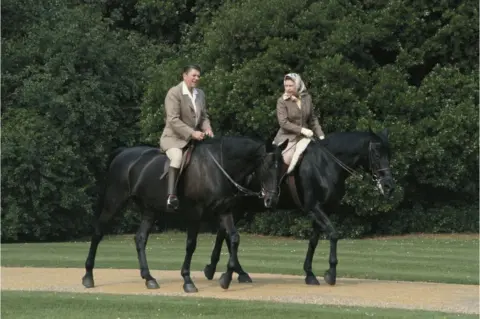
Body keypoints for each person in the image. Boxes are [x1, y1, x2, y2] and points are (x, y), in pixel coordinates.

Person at [159, 64, 214, 211]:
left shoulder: (200, 94)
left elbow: (203, 117)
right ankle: (171, 196)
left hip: (193, 139)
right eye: (193, 75)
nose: (196, 78)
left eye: (198, 76)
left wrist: (207, 128)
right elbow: (173, 120)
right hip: (173, 138)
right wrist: (192, 133)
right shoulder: (174, 93)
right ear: (184, 76)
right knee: (176, 157)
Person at [273, 73, 325, 173]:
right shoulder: (281, 101)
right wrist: (302, 130)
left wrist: (321, 136)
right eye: (286, 86)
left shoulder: (307, 98)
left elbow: (313, 119)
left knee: (316, 157)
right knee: (287, 159)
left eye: (290, 86)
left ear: (298, 85)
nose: (288, 88)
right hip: (287, 137)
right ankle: (281, 185)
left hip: (305, 137)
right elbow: (283, 123)